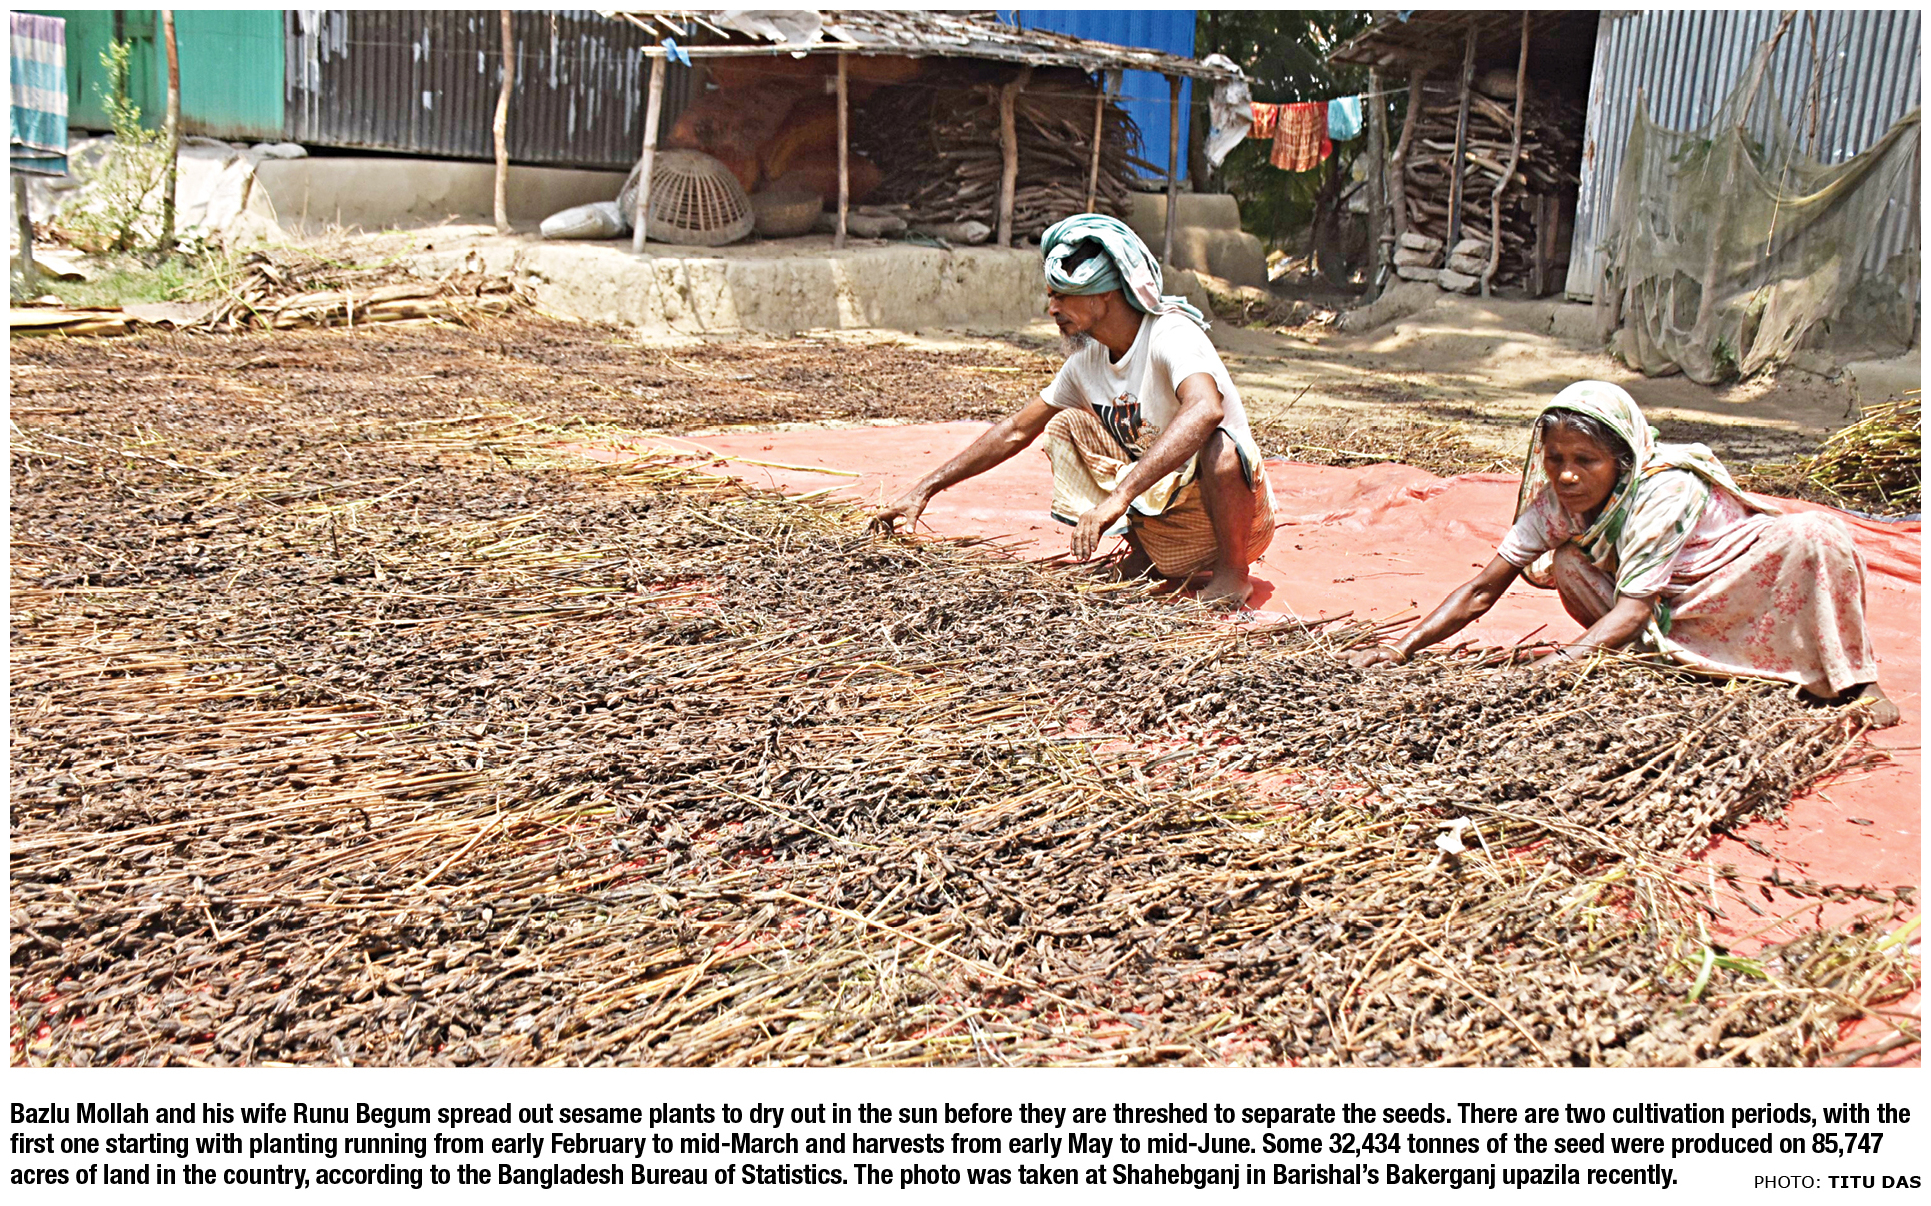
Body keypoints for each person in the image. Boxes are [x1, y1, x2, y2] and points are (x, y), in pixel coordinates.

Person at [1347, 380, 1900, 727]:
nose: (1566, 474)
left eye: (1585, 460)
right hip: (1659, 602)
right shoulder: (1558, 503)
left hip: (1734, 582)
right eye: (1555, 458)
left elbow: (1634, 609)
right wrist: (1400, 648)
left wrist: (1554, 668)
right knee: (1568, 563)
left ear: (1623, 461)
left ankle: (1856, 682)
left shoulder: (1665, 489)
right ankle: (1669, 663)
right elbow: (1481, 589)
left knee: (1817, 534)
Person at [871, 213, 1277, 605]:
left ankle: (1232, 574)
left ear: (1104, 294)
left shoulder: (1170, 333)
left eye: (1061, 295)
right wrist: (924, 489)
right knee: (1067, 425)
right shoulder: (1085, 364)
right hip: (1171, 526)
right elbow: (1015, 430)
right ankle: (1147, 555)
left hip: (1238, 524)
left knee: (1220, 446)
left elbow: (1206, 409)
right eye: (1051, 296)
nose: (1052, 309)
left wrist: (1119, 497)